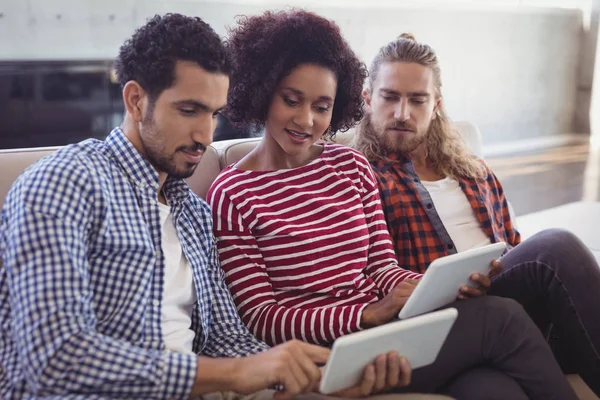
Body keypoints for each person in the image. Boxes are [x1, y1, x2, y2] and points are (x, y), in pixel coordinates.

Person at [207, 9, 578, 400]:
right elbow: (261, 317)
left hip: (388, 333)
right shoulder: (233, 192)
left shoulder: (349, 165)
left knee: (495, 388)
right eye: (292, 101)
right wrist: (365, 315)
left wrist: (426, 288)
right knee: (501, 318)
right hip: (326, 354)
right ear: (263, 91)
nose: (306, 120)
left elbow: (382, 267)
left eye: (322, 107)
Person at [0, 13, 350, 400]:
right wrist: (235, 374)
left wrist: (327, 378)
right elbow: (56, 360)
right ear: (136, 100)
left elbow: (228, 340)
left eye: (214, 114)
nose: (205, 135)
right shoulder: (65, 182)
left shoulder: (194, 214)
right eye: (189, 110)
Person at [351, 33, 600, 396]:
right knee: (495, 391)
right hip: (446, 328)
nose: (402, 113)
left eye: (417, 100)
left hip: (511, 304)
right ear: (368, 99)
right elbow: (365, 280)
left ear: (435, 104)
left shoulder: (472, 170)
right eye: (390, 97)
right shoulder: (361, 179)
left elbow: (518, 250)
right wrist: (444, 285)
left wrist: (501, 267)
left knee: (553, 251)